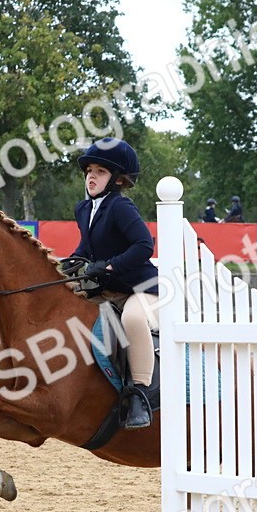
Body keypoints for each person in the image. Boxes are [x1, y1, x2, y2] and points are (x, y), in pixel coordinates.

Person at [70, 137, 159, 430]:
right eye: (89, 170)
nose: (92, 176)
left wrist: (109, 266)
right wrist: (71, 261)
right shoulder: (84, 209)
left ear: (118, 180)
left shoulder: (121, 207)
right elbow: (86, 246)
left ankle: (139, 395)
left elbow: (144, 245)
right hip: (107, 292)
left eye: (101, 171)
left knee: (133, 319)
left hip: (141, 289)